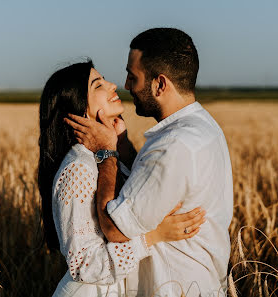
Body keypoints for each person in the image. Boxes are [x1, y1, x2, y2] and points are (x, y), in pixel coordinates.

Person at [66, 28, 233, 297]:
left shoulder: (173, 146)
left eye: (133, 77)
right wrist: (123, 146)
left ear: (160, 84)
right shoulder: (202, 127)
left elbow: (114, 228)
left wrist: (106, 152)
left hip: (175, 287)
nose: (126, 85)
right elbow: (150, 183)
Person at [38, 60, 207, 297]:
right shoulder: (78, 168)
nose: (112, 85)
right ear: (79, 108)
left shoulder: (101, 158)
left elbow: (137, 196)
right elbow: (84, 265)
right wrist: (153, 236)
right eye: (98, 85)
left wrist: (120, 145)